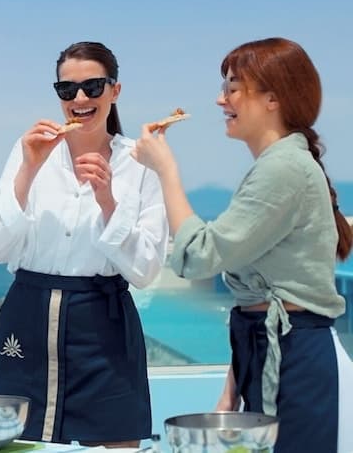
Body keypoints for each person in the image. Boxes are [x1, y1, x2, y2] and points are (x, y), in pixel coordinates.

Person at [133, 37, 353, 452]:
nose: (221, 100)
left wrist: (166, 170)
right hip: (275, 352)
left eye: (233, 87)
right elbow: (260, 297)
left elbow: (199, 255)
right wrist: (231, 390)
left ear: (273, 98)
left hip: (294, 359)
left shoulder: (283, 169)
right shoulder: (279, 165)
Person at [0, 41, 168, 448]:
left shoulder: (140, 162)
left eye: (92, 87)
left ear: (115, 91)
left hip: (104, 325)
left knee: (117, 442)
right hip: (27, 319)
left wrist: (108, 202)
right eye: (67, 89)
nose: (80, 99)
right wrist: (28, 169)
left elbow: (147, 269)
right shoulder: (28, 151)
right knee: (13, 441)